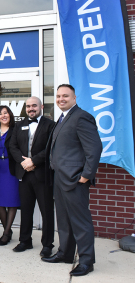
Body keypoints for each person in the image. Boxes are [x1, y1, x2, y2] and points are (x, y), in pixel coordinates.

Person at [43, 84, 102, 277]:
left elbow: (94, 149)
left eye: (65, 96)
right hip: (59, 179)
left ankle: (86, 261)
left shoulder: (81, 117)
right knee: (64, 220)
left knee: (80, 222)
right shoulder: (62, 118)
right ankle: (65, 254)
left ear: (74, 98)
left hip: (75, 179)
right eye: (58, 96)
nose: (61, 99)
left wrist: (86, 175)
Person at [9, 97, 55, 256]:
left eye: (34, 105)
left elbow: (51, 148)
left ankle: (48, 244)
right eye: (28, 106)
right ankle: (25, 240)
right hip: (24, 174)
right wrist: (23, 163)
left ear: (41, 106)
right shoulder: (19, 125)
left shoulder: (51, 125)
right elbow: (12, 146)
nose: (31, 109)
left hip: (42, 174)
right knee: (26, 210)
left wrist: (33, 161)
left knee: (46, 211)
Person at [0, 105, 19, 246]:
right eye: (0, 114)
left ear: (10, 114)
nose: (3, 116)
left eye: (5, 113)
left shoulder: (16, 130)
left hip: (11, 168)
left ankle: (6, 232)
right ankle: (7, 229)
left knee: (12, 200)